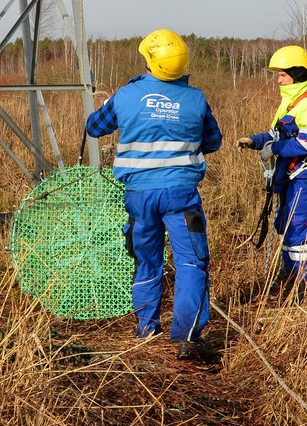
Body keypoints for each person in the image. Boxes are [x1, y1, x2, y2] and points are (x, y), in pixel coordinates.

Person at [86, 29, 222, 362]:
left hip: (139, 196)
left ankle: (146, 329)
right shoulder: (197, 99)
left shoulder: (126, 95)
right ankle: (188, 337)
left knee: (146, 260)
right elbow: (213, 142)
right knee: (191, 262)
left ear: (149, 61)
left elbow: (94, 127)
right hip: (181, 195)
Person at [236, 46, 307, 299]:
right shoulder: (289, 101)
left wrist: (274, 148)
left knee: (297, 232)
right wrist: (254, 141)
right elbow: (275, 134)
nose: (277, 79)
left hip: (303, 176)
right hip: (288, 177)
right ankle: (289, 279)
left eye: (281, 75)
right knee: (285, 228)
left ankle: (305, 289)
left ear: (296, 74)